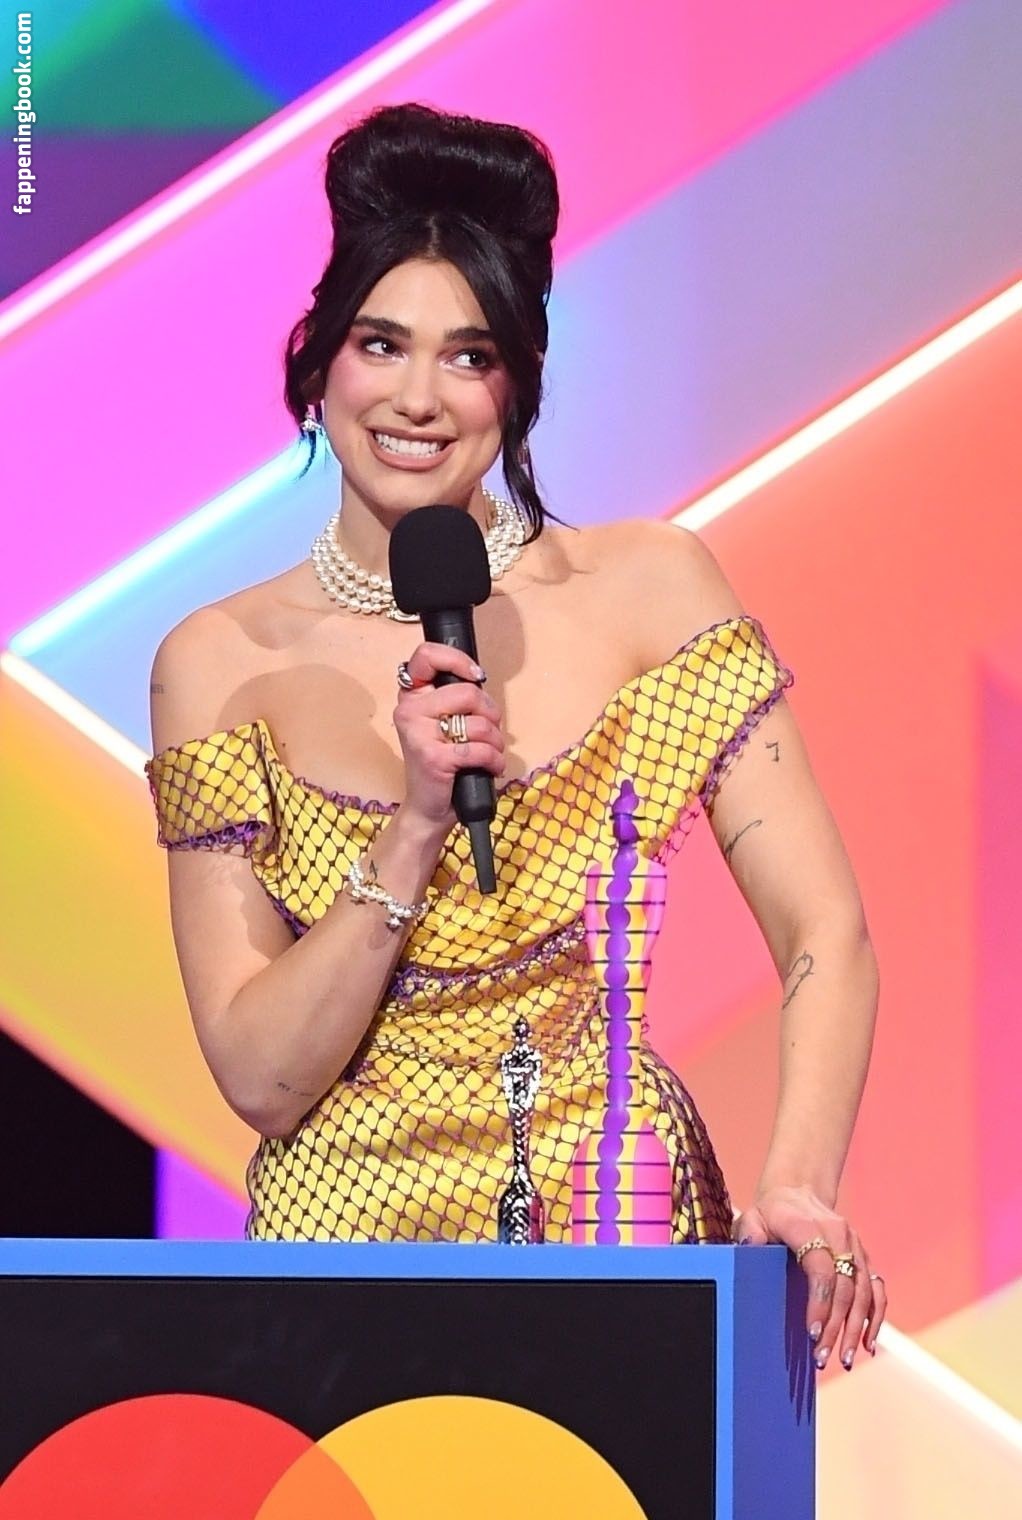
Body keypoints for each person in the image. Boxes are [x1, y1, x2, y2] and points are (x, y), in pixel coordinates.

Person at [146, 103, 885, 1372]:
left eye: (468, 356)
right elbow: (261, 1078)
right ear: (319, 366)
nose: (416, 398)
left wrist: (798, 1184)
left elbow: (823, 929)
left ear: (518, 385)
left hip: (616, 1233)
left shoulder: (648, 588)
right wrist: (414, 828)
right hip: (347, 1268)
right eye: (380, 344)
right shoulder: (219, 662)